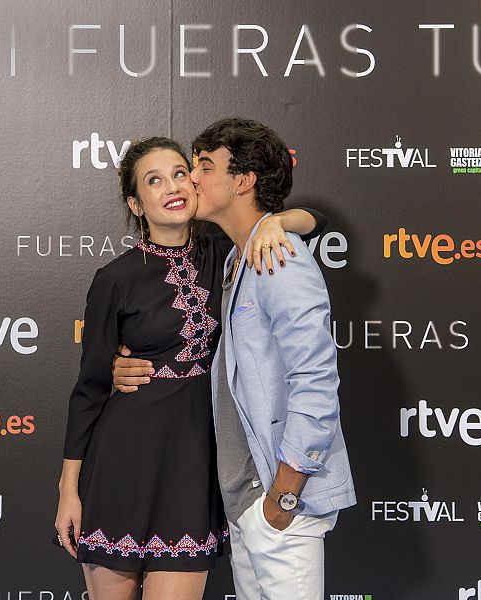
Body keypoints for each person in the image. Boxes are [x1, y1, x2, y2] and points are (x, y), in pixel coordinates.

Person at [54, 136, 326, 600]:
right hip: (121, 464)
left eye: (180, 173)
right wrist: (68, 490)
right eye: (154, 181)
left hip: (192, 468)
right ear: (136, 204)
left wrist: (274, 223)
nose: (172, 187)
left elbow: (317, 220)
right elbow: (90, 390)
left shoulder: (227, 251)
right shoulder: (114, 280)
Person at [113, 118, 356, 600]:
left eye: (203, 166)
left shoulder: (279, 259)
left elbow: (316, 383)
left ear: (243, 181)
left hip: (281, 502)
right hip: (247, 503)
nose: (191, 179)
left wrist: (284, 497)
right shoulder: (235, 258)